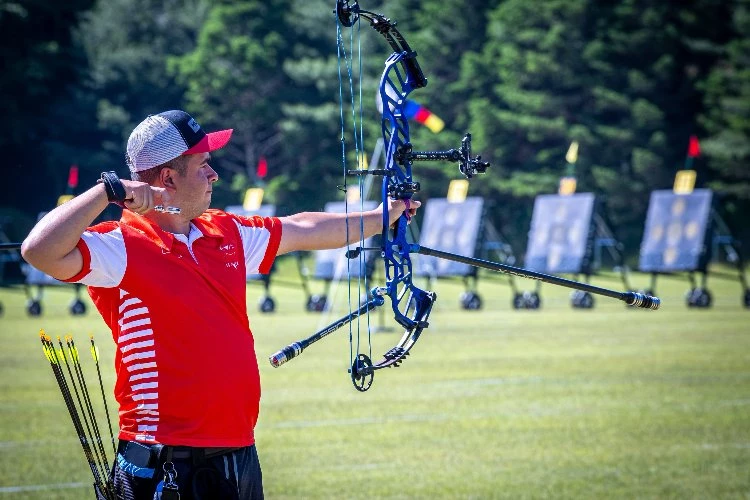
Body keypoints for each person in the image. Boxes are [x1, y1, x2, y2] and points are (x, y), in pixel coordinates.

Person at [21, 110, 418, 499]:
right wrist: (107, 192)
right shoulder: (119, 247)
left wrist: (383, 216)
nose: (214, 174)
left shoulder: (224, 231)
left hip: (238, 452)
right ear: (167, 178)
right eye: (203, 164)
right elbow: (39, 251)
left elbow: (303, 228)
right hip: (164, 458)